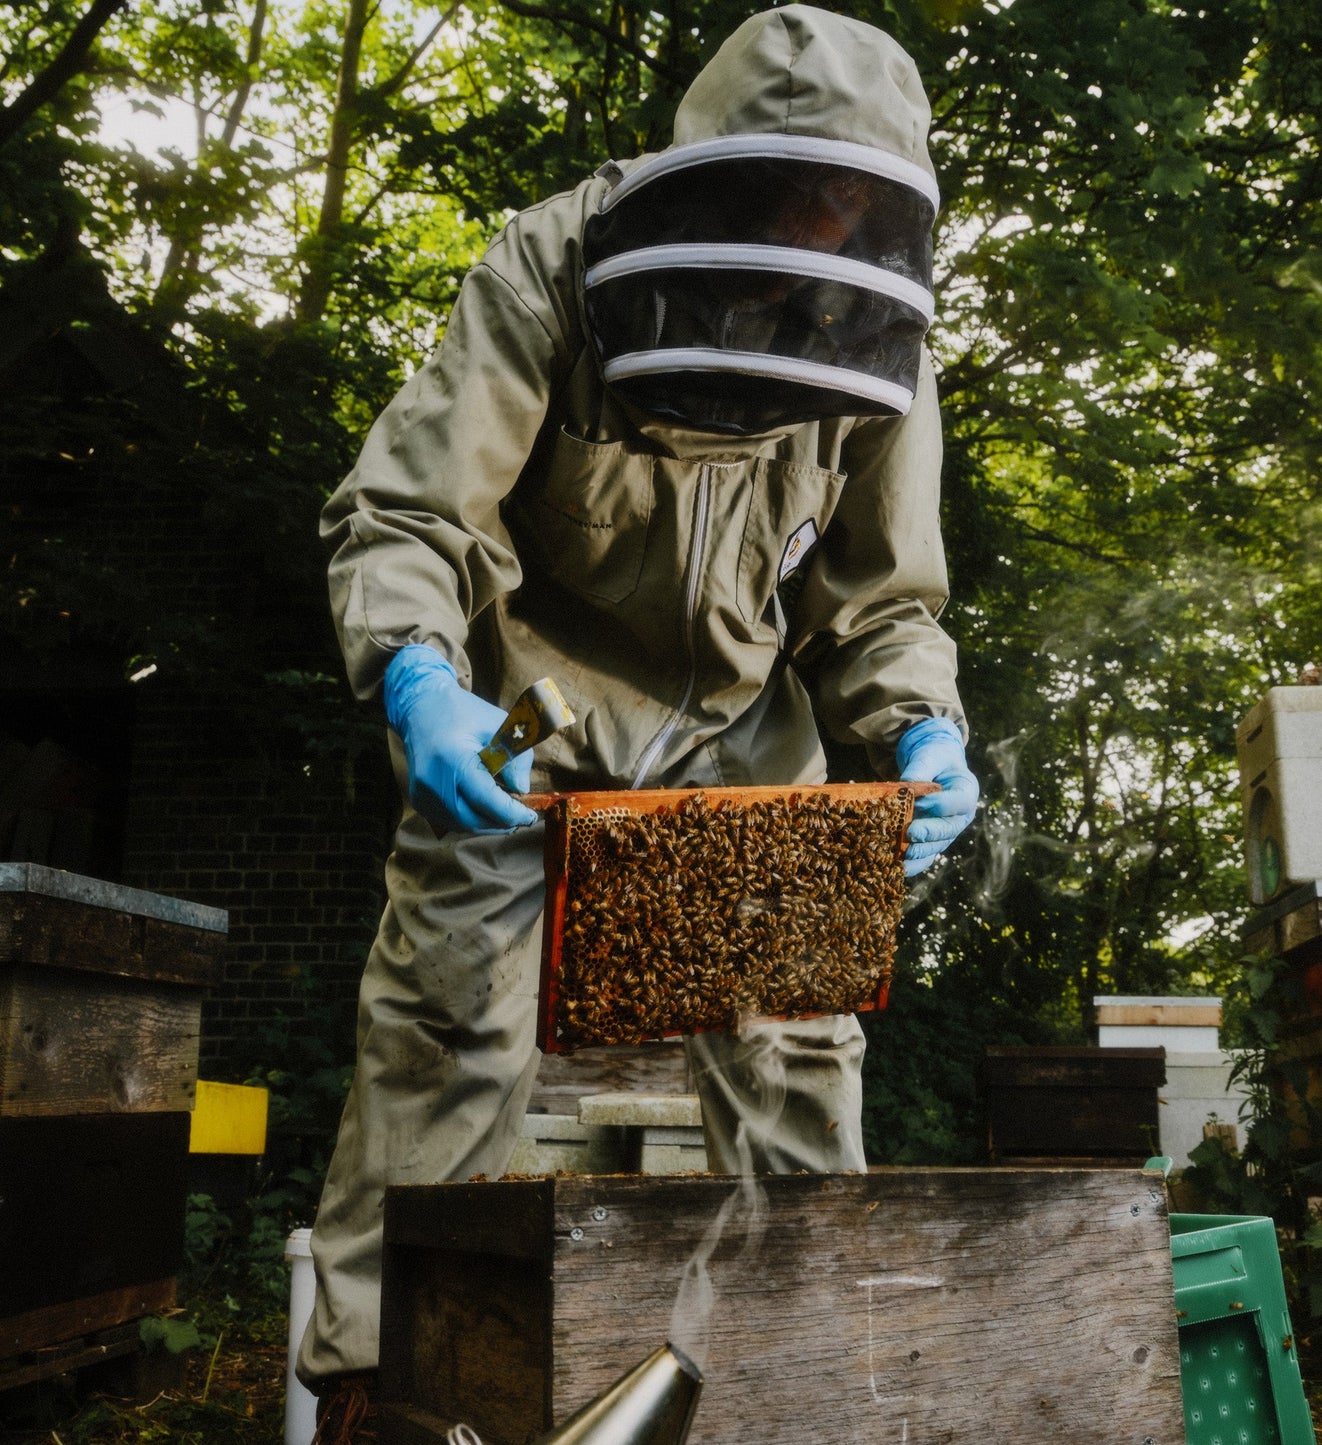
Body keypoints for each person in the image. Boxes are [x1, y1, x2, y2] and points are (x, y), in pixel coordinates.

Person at [298, 6, 979, 1440]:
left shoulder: (884, 348)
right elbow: (412, 511)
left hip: (742, 726)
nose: (813, 232)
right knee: (446, 1028)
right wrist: (418, 673)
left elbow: (878, 602)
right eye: (790, 192)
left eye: (845, 205)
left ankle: (805, 1383)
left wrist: (922, 727)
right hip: (521, 711)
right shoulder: (549, 263)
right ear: (710, 168)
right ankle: (382, 1385)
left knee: (796, 1042)